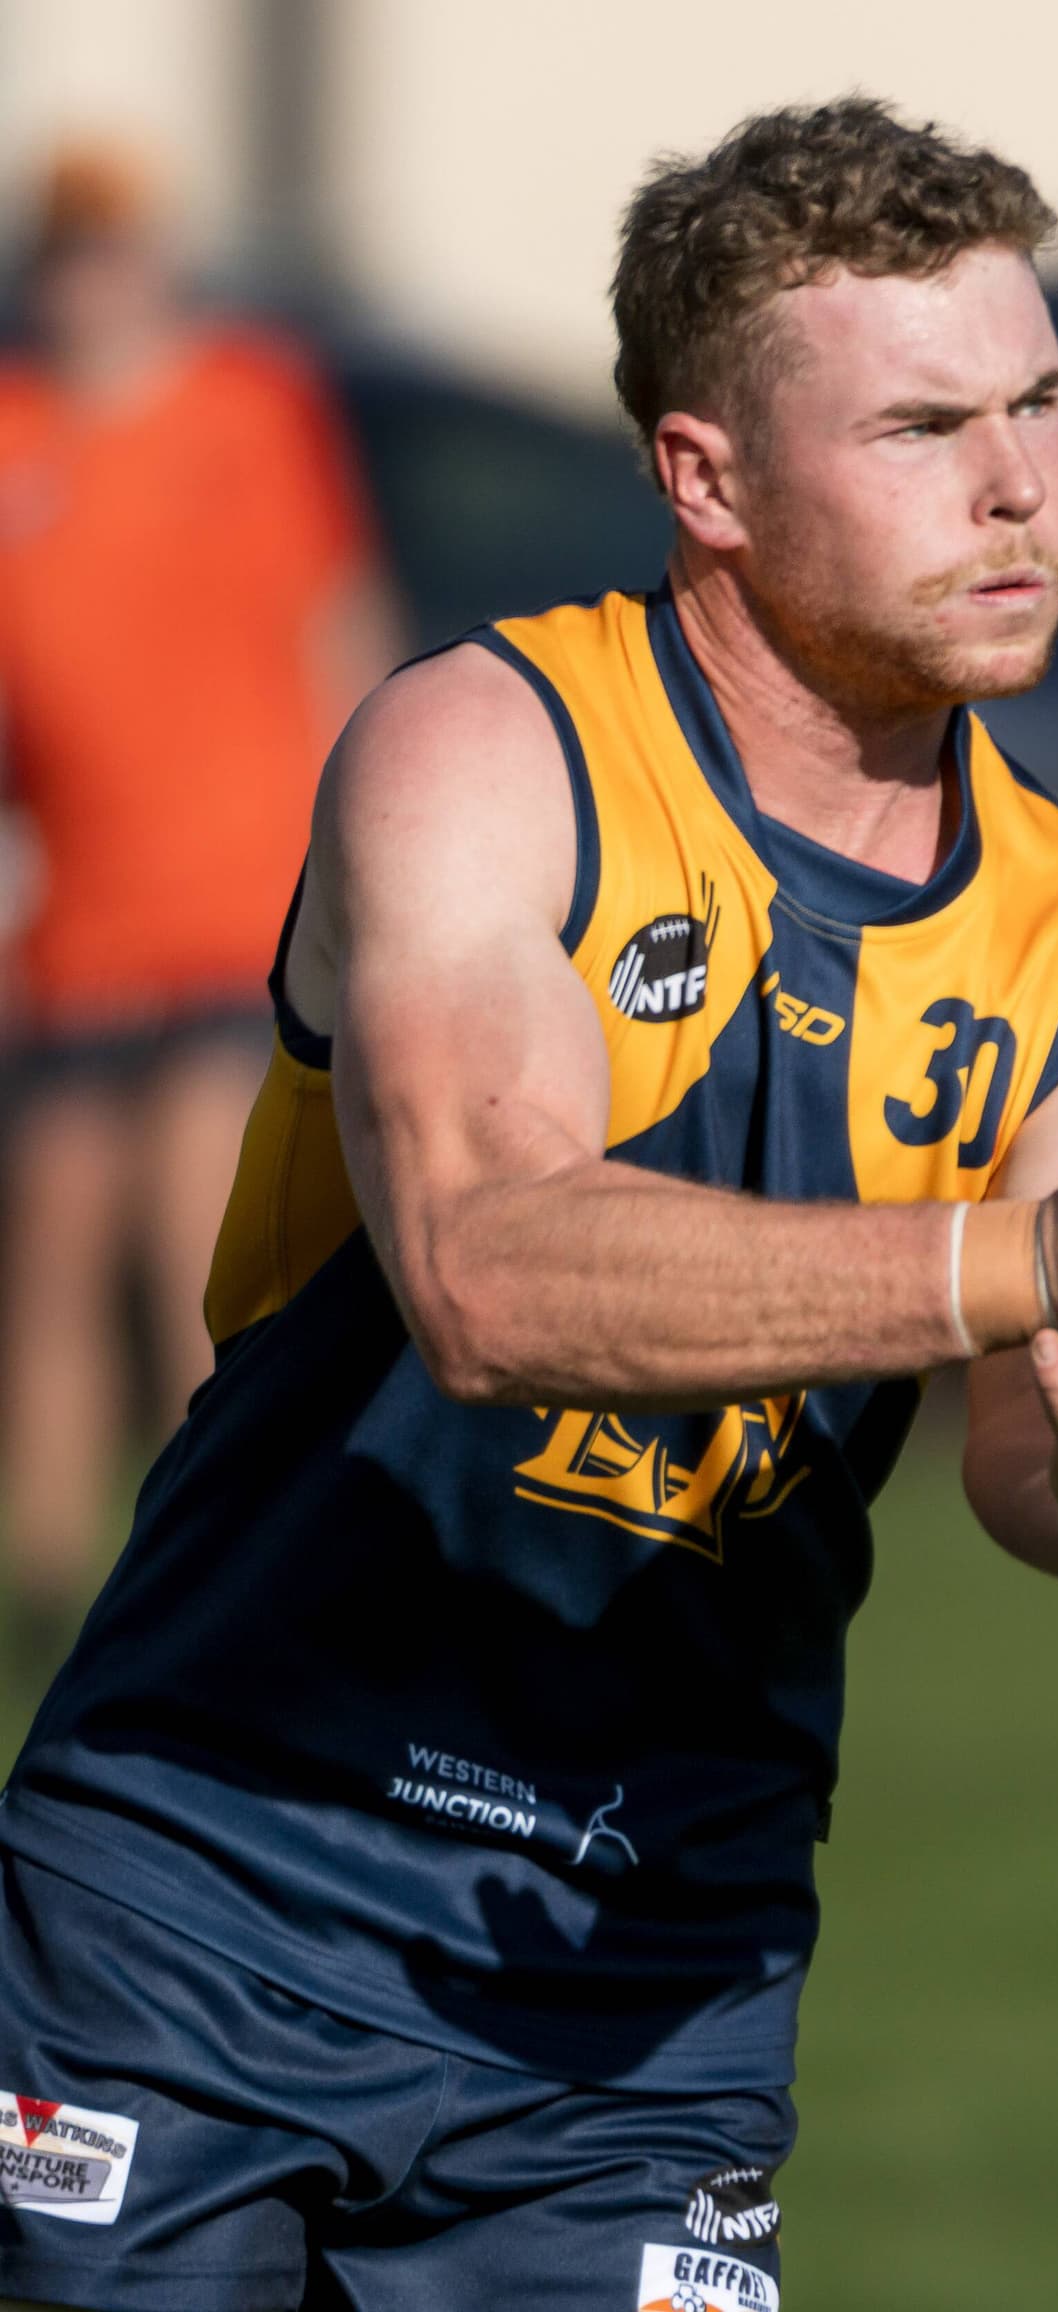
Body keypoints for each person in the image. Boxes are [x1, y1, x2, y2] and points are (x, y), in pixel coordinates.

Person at [0, 98, 1058, 2307]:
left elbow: (1037, 1466)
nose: (1020, 482)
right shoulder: (492, 754)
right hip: (218, 1881)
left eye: (1038, 403)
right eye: (926, 425)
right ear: (707, 481)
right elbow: (486, 1269)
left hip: (647, 1968)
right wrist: (1021, 1255)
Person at [0, 141, 392, 1688]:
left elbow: (337, 628)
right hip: (77, 922)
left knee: (192, 1237)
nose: (92, 281)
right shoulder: (18, 433)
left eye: (114, 251)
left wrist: (366, 867)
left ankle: (205, 1547)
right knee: (50, 1247)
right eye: (67, 254)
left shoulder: (249, 406)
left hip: (240, 903)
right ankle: (46, 1579)